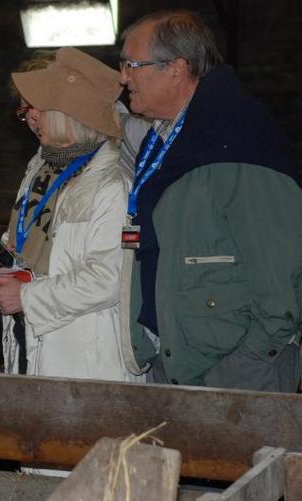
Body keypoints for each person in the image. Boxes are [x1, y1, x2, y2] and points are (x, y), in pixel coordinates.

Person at [119, 10, 302, 391]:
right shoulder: (163, 139)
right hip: (175, 354)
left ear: (177, 68)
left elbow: (280, 260)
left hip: (234, 367)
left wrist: (255, 353)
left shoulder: (237, 134)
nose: (123, 77)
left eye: (132, 64)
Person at [0, 47, 141, 383]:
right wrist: (1, 266)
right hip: (31, 339)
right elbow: (29, 235)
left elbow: (109, 278)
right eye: (25, 111)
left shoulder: (111, 184)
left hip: (86, 356)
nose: (31, 118)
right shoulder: (40, 166)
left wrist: (26, 296)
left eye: (36, 107)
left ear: (68, 110)